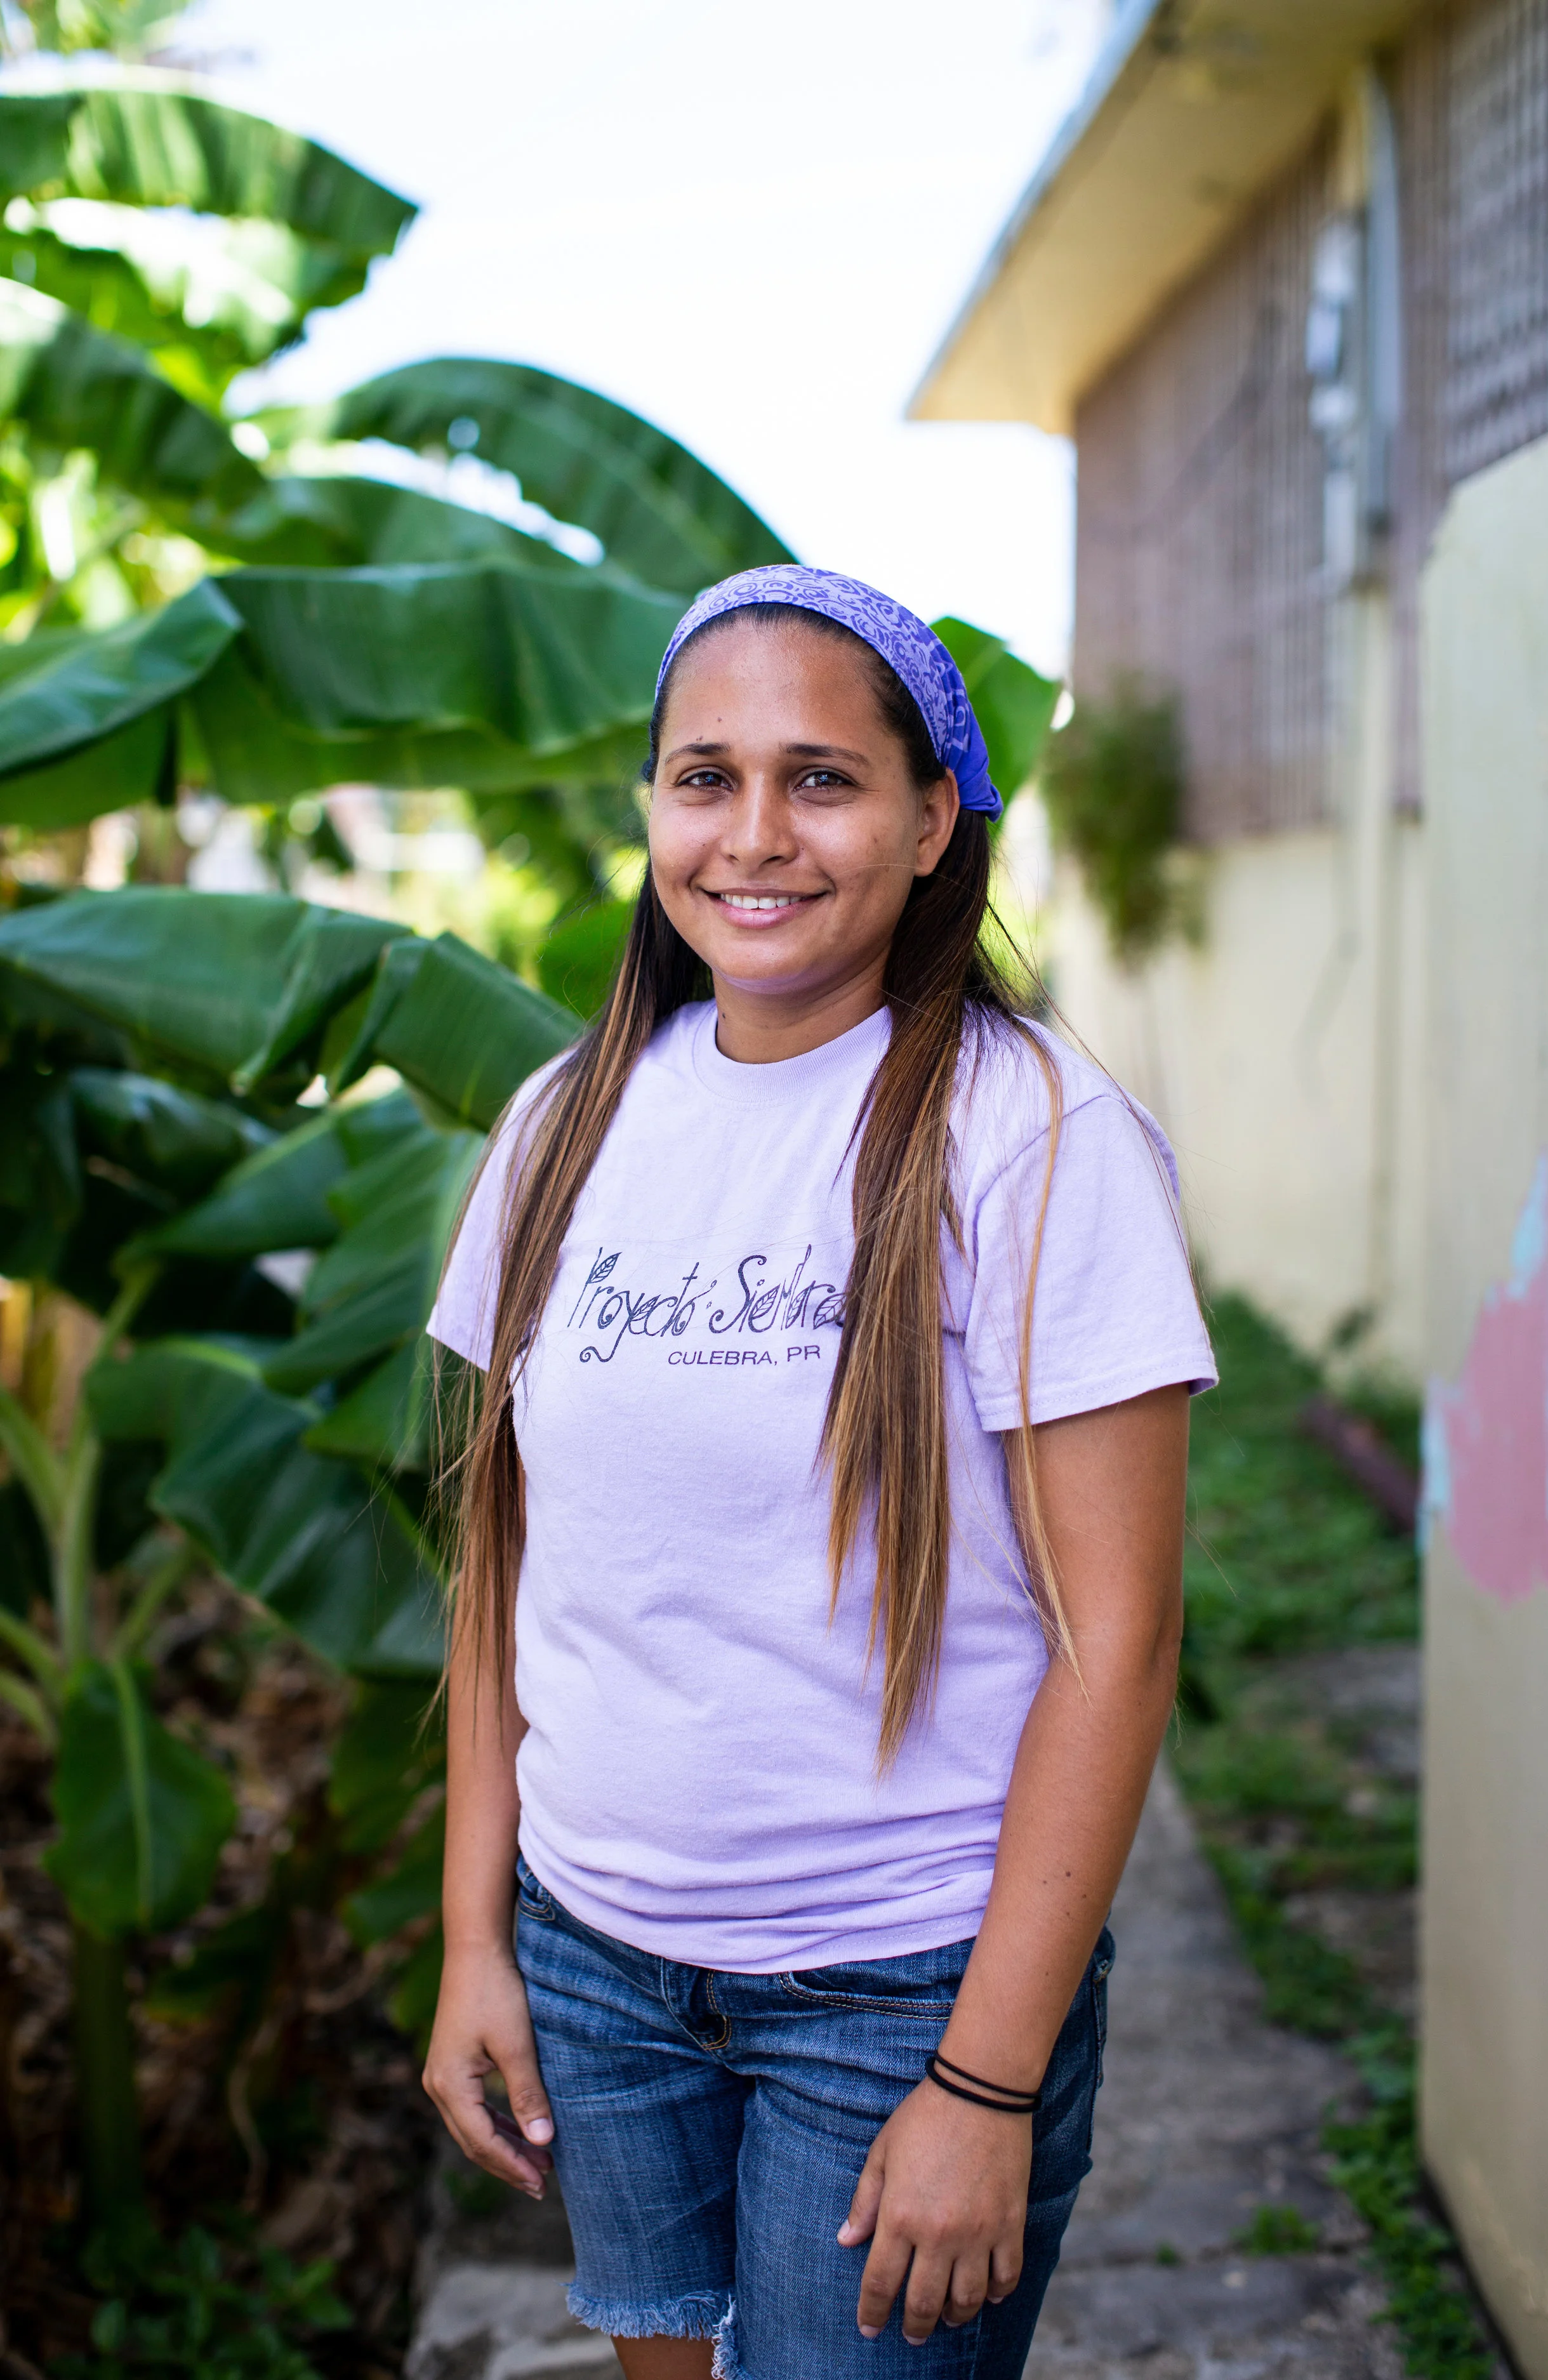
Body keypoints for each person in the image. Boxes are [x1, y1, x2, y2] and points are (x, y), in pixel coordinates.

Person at [422, 565, 1215, 2380]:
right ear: (650, 813)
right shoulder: (567, 1117)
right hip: (603, 1963)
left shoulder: (1031, 1136)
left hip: (898, 1988)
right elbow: (506, 1569)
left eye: (823, 778)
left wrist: (982, 2077)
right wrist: (480, 1939)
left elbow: (1118, 1639)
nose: (754, 834)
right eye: (703, 777)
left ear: (934, 819)